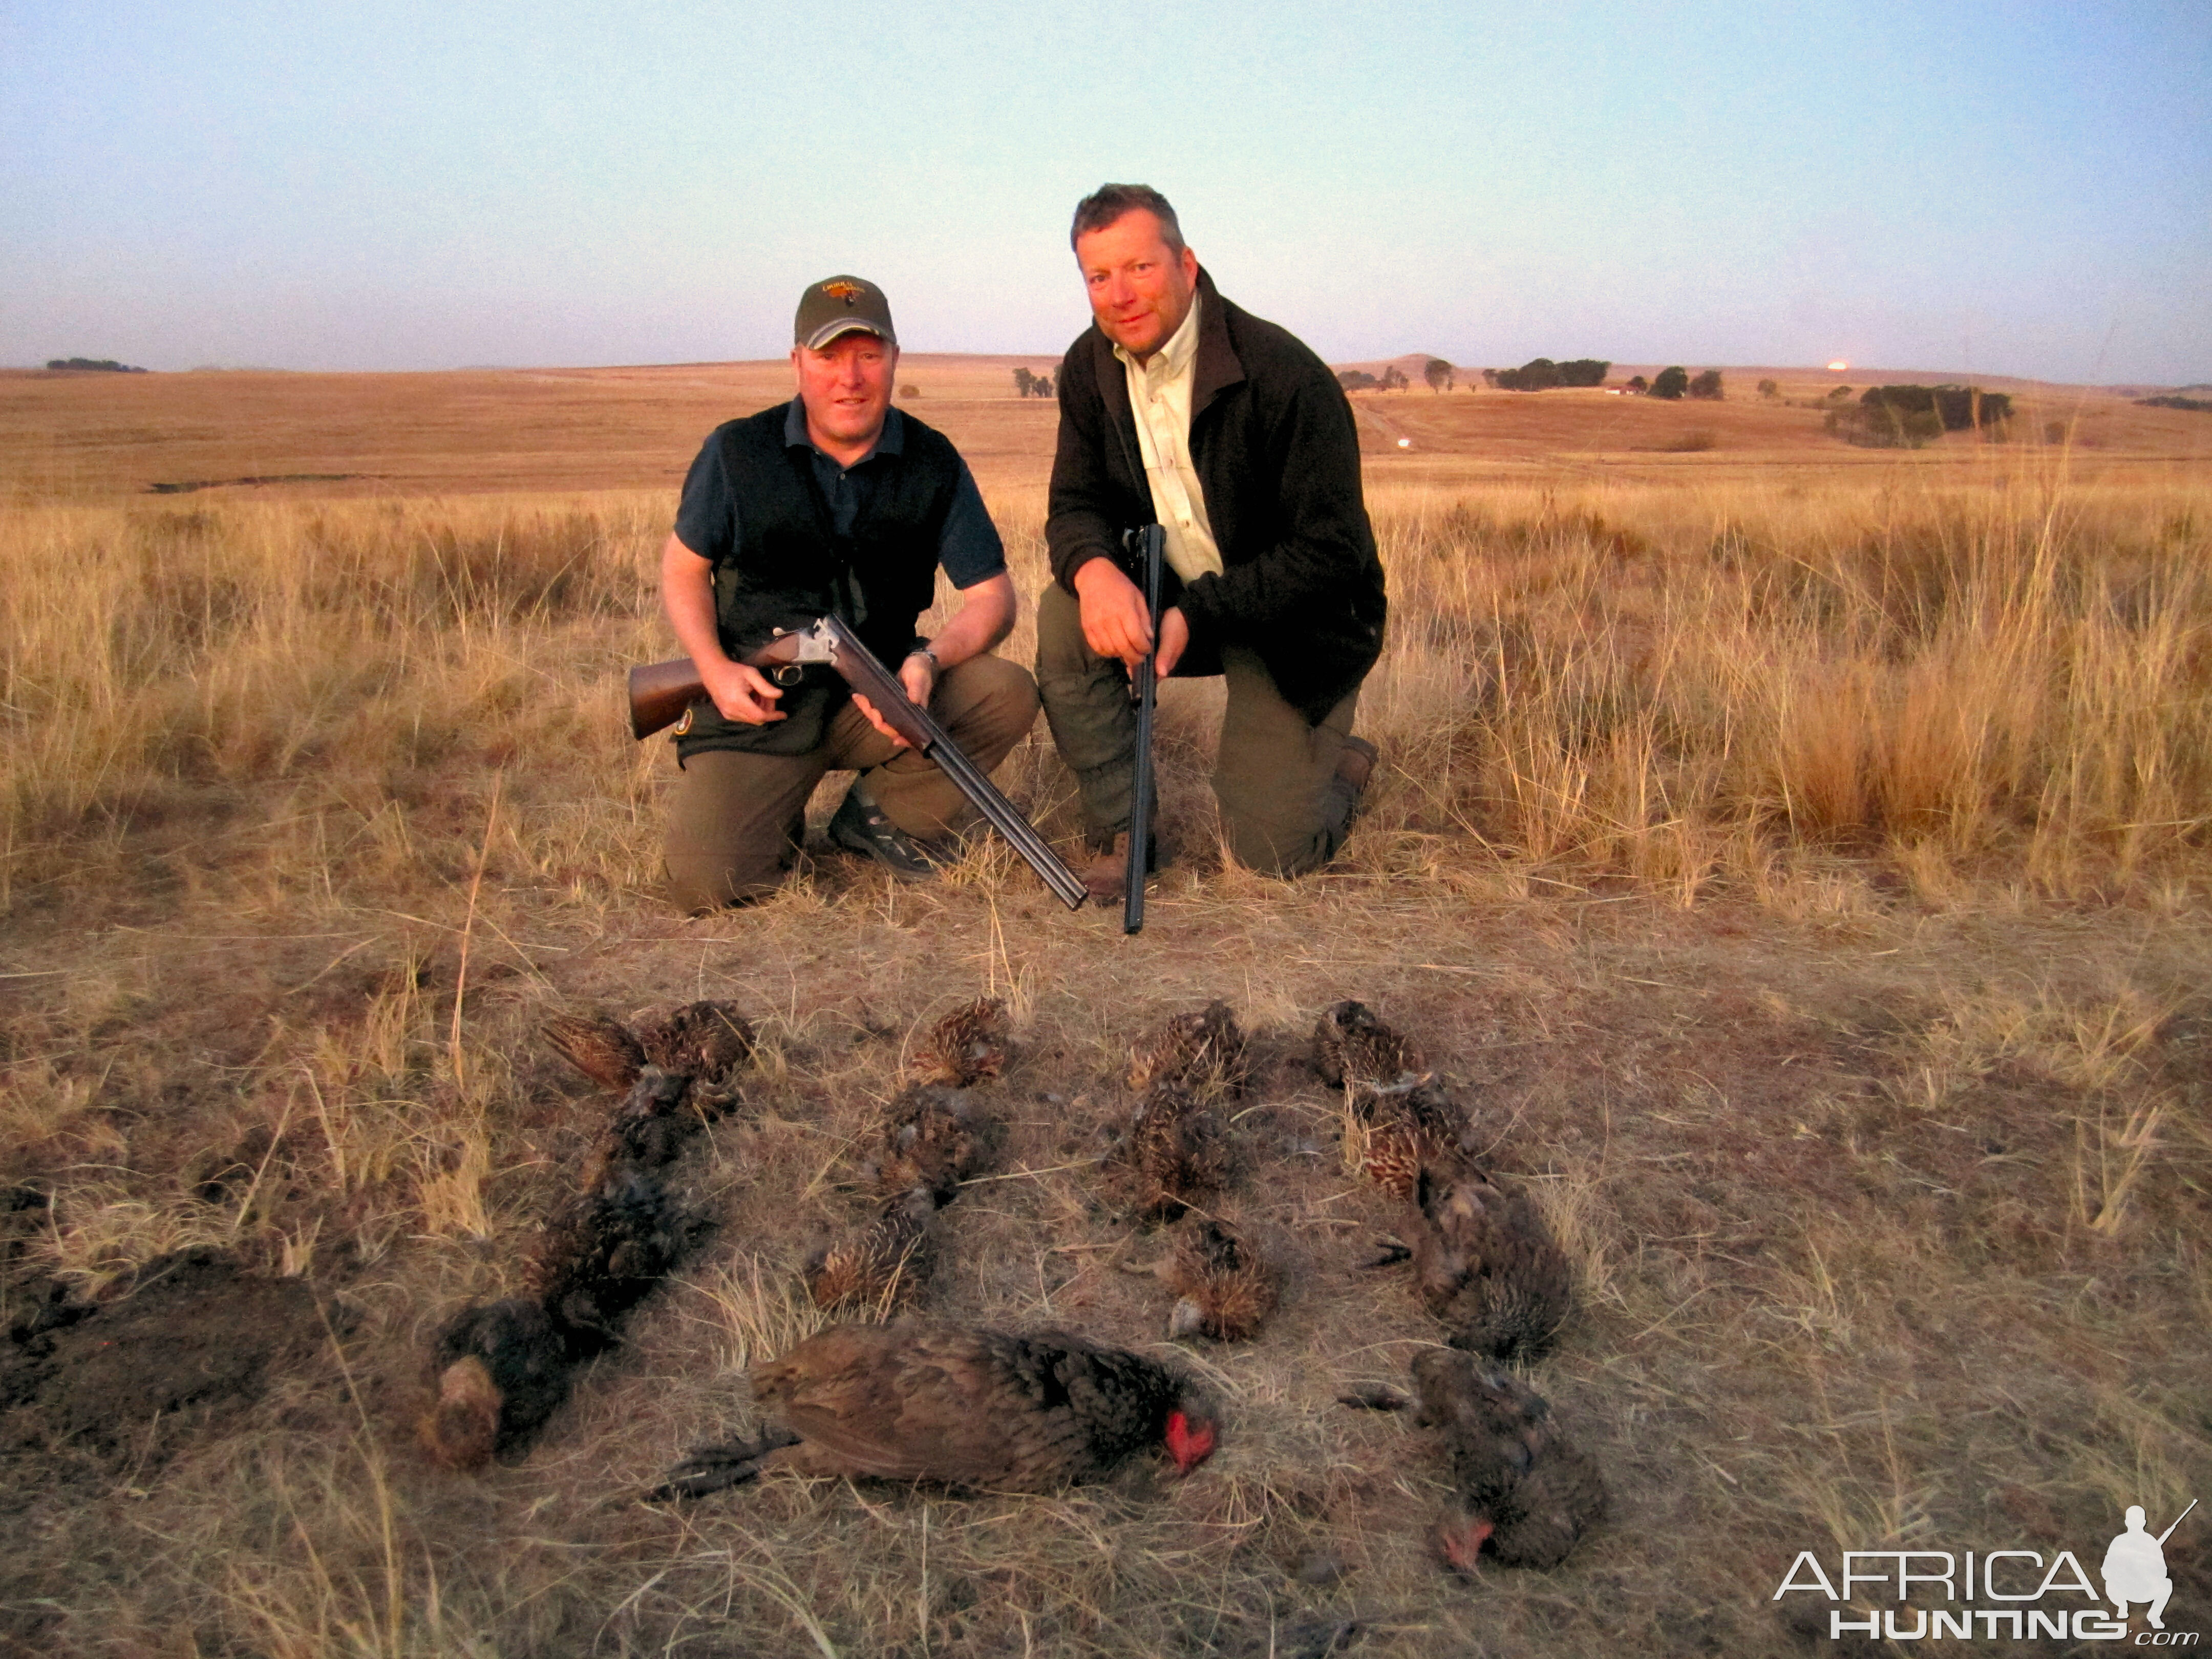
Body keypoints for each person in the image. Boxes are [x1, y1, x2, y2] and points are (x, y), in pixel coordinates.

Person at [1038, 184, 1387, 902]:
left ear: (1187, 265)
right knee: (1065, 614)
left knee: (1268, 856)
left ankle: (1341, 769)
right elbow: (1076, 504)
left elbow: (1331, 552)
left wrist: (1201, 615)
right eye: (1098, 277)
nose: (1120, 295)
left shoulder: (1285, 374)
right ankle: (1126, 830)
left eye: (1139, 268)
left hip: (1290, 623)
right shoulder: (1087, 366)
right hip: (1174, 603)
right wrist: (1097, 570)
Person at [658, 274, 1039, 911]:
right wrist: (716, 671)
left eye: (868, 355)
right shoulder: (737, 452)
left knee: (1006, 692)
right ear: (797, 362)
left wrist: (927, 661)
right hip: (760, 710)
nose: (850, 378)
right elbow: (682, 570)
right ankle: (773, 818)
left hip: (879, 702)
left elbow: (994, 598)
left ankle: (879, 817)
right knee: (708, 885)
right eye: (829, 356)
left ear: (895, 359)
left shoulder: (932, 459)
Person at [2102, 1505, 2174, 1629]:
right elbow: (2106, 1570)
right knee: (2110, 1583)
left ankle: (2154, 1616)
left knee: (2167, 1584)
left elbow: (2163, 1571)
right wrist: (2124, 1571)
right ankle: (2122, 1607)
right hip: (2123, 1589)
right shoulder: (2119, 1541)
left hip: (2146, 1590)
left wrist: (2147, 1568)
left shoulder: (2151, 1542)